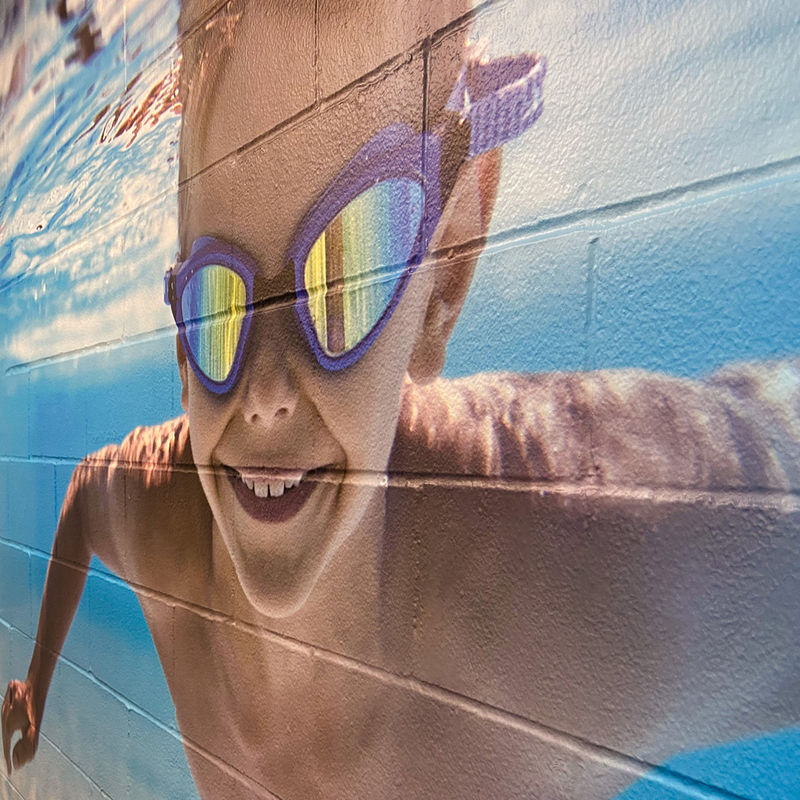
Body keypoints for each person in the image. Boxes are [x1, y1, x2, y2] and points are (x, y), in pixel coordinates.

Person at [4, 1, 800, 798]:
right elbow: (81, 501)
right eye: (219, 308)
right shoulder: (158, 513)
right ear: (183, 345)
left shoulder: (598, 588)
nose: (267, 394)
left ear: (446, 272)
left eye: (352, 267)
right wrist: (36, 691)